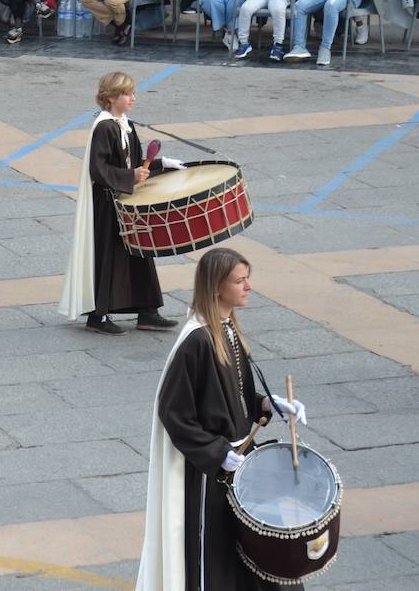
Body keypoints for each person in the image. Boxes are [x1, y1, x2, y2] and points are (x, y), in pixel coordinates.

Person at [137, 246, 308, 591]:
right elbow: (174, 413)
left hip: (238, 459)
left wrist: (267, 404)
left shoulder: (228, 329)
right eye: (240, 280)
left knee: (251, 547)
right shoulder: (197, 341)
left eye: (247, 279)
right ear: (217, 286)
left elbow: (239, 392)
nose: (249, 287)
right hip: (211, 474)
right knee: (215, 552)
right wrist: (217, 454)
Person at [58, 71, 183, 335]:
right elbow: (98, 169)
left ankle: (147, 310)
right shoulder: (105, 127)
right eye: (128, 94)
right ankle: (98, 316)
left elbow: (138, 163)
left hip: (124, 199)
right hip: (106, 204)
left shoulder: (125, 124)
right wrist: (130, 176)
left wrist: (162, 164)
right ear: (112, 97)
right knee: (107, 257)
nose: (133, 98)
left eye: (133, 93)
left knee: (140, 252)